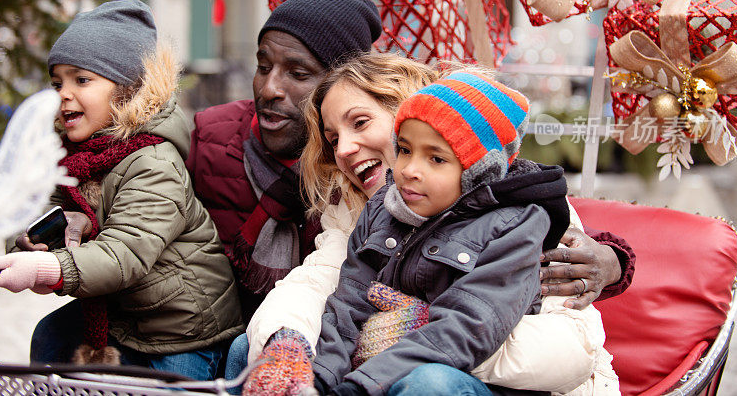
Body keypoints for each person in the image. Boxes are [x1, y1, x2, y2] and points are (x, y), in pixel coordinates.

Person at [237, 54, 623, 395]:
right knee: (254, 351)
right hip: (392, 371)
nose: (343, 149)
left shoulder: (524, 211)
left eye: (360, 122)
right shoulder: (367, 208)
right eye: (333, 138)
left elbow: (573, 348)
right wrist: (290, 348)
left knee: (429, 382)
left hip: (500, 380)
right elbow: (317, 287)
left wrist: (419, 331)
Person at [0, 0, 243, 380]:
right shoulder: (77, 157)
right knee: (51, 336)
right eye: (57, 82)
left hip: (183, 329)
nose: (63, 93)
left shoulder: (154, 162)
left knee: (168, 387)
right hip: (127, 314)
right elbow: (39, 213)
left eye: (81, 80)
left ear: (127, 89)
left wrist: (48, 268)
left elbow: (125, 254)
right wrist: (30, 245)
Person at [187, 0, 384, 321]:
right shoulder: (210, 139)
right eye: (263, 67)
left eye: (298, 73)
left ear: (341, 84)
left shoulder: (364, 169)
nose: (269, 89)